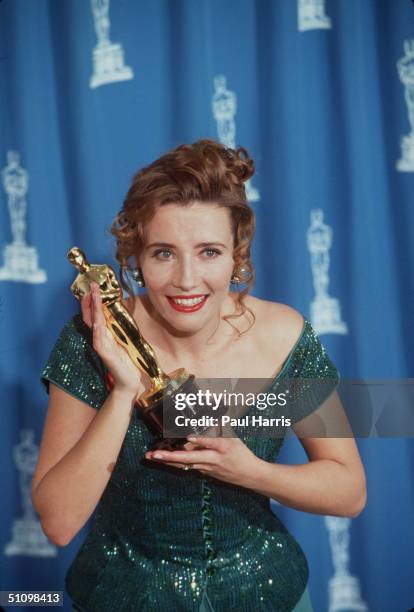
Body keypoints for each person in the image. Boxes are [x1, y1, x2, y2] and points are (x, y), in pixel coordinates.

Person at [32, 139, 366, 612]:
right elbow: (59, 522)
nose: (187, 280)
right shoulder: (93, 339)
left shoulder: (285, 336)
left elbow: (349, 490)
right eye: (164, 253)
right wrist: (124, 389)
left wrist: (251, 472)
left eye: (209, 252)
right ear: (137, 260)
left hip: (271, 595)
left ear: (238, 254)